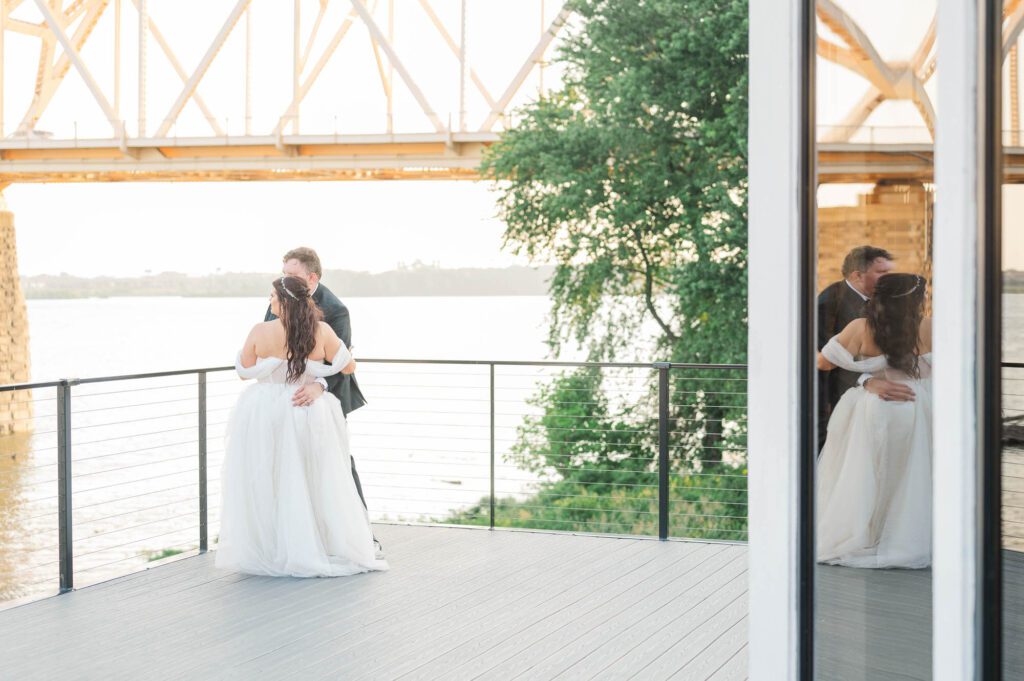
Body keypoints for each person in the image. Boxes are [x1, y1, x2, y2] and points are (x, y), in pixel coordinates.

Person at [216, 276, 388, 577]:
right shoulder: (321, 331)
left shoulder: (260, 331)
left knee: (269, 476)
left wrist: (272, 366)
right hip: (307, 409)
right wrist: (321, 371)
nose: (269, 302)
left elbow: (245, 370)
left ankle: (273, 546)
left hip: (265, 409)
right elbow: (347, 366)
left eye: (272, 296)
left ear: (283, 302)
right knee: (312, 476)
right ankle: (315, 542)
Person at [264, 248, 381, 556]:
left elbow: (343, 360)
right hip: (288, 396)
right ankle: (299, 534)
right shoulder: (278, 298)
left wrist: (318, 385)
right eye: (283, 272)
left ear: (311, 277)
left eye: (291, 273)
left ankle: (362, 535)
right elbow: (269, 341)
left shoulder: (336, 310)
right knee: (289, 460)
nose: (283, 279)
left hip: (329, 394)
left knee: (338, 462)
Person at [816, 273, 932, 569]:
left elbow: (823, 362)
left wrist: (866, 376)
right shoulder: (928, 327)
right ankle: (895, 537)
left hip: (876, 407)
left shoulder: (859, 328)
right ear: (914, 300)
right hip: (913, 404)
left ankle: (867, 535)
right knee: (907, 475)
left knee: (869, 471)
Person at [817, 246, 910, 452]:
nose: (887, 278)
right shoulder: (829, 302)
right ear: (857, 275)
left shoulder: (880, 299)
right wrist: (866, 381)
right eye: (881, 273)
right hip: (832, 403)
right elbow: (823, 358)